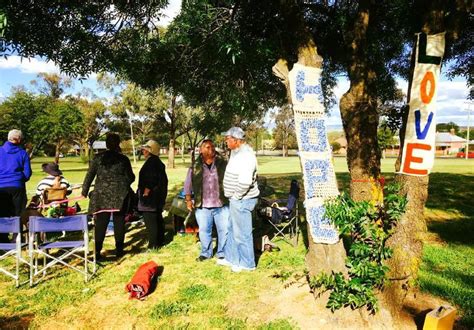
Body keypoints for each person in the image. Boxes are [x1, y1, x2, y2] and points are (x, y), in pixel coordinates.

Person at [81, 133, 135, 259]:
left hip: (101, 195)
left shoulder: (97, 158)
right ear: (118, 144)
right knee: (119, 222)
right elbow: (130, 177)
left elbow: (89, 176)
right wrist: (123, 184)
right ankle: (119, 250)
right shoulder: (123, 159)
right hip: (120, 195)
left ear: (106, 144)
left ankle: (97, 251)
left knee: (101, 223)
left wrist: (84, 191)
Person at [217, 127, 259, 272]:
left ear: (237, 140)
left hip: (242, 199)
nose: (226, 141)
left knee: (243, 233)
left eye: (228, 138)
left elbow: (245, 181)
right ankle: (231, 258)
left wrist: (236, 196)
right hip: (236, 199)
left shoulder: (246, 156)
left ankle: (247, 264)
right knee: (232, 228)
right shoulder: (236, 153)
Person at [183, 139, 229, 262]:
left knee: (224, 229)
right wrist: (188, 199)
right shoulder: (195, 165)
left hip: (221, 204)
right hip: (202, 205)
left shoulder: (223, 163)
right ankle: (206, 253)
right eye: (208, 147)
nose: (211, 149)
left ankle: (222, 252)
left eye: (212, 147)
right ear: (201, 150)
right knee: (204, 230)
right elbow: (188, 183)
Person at [0, 129, 32, 243]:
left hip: (1, 186)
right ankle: (16, 238)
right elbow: (27, 173)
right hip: (17, 185)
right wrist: (19, 178)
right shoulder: (22, 153)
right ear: (18, 139)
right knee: (17, 212)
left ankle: (2, 238)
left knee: (2, 212)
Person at [137, 140, 168, 250]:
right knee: (157, 218)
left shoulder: (152, 162)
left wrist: (146, 192)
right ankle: (160, 241)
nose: (143, 151)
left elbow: (150, 179)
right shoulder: (157, 162)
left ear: (151, 151)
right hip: (157, 196)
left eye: (146, 149)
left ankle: (153, 245)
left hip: (150, 197)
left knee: (151, 220)